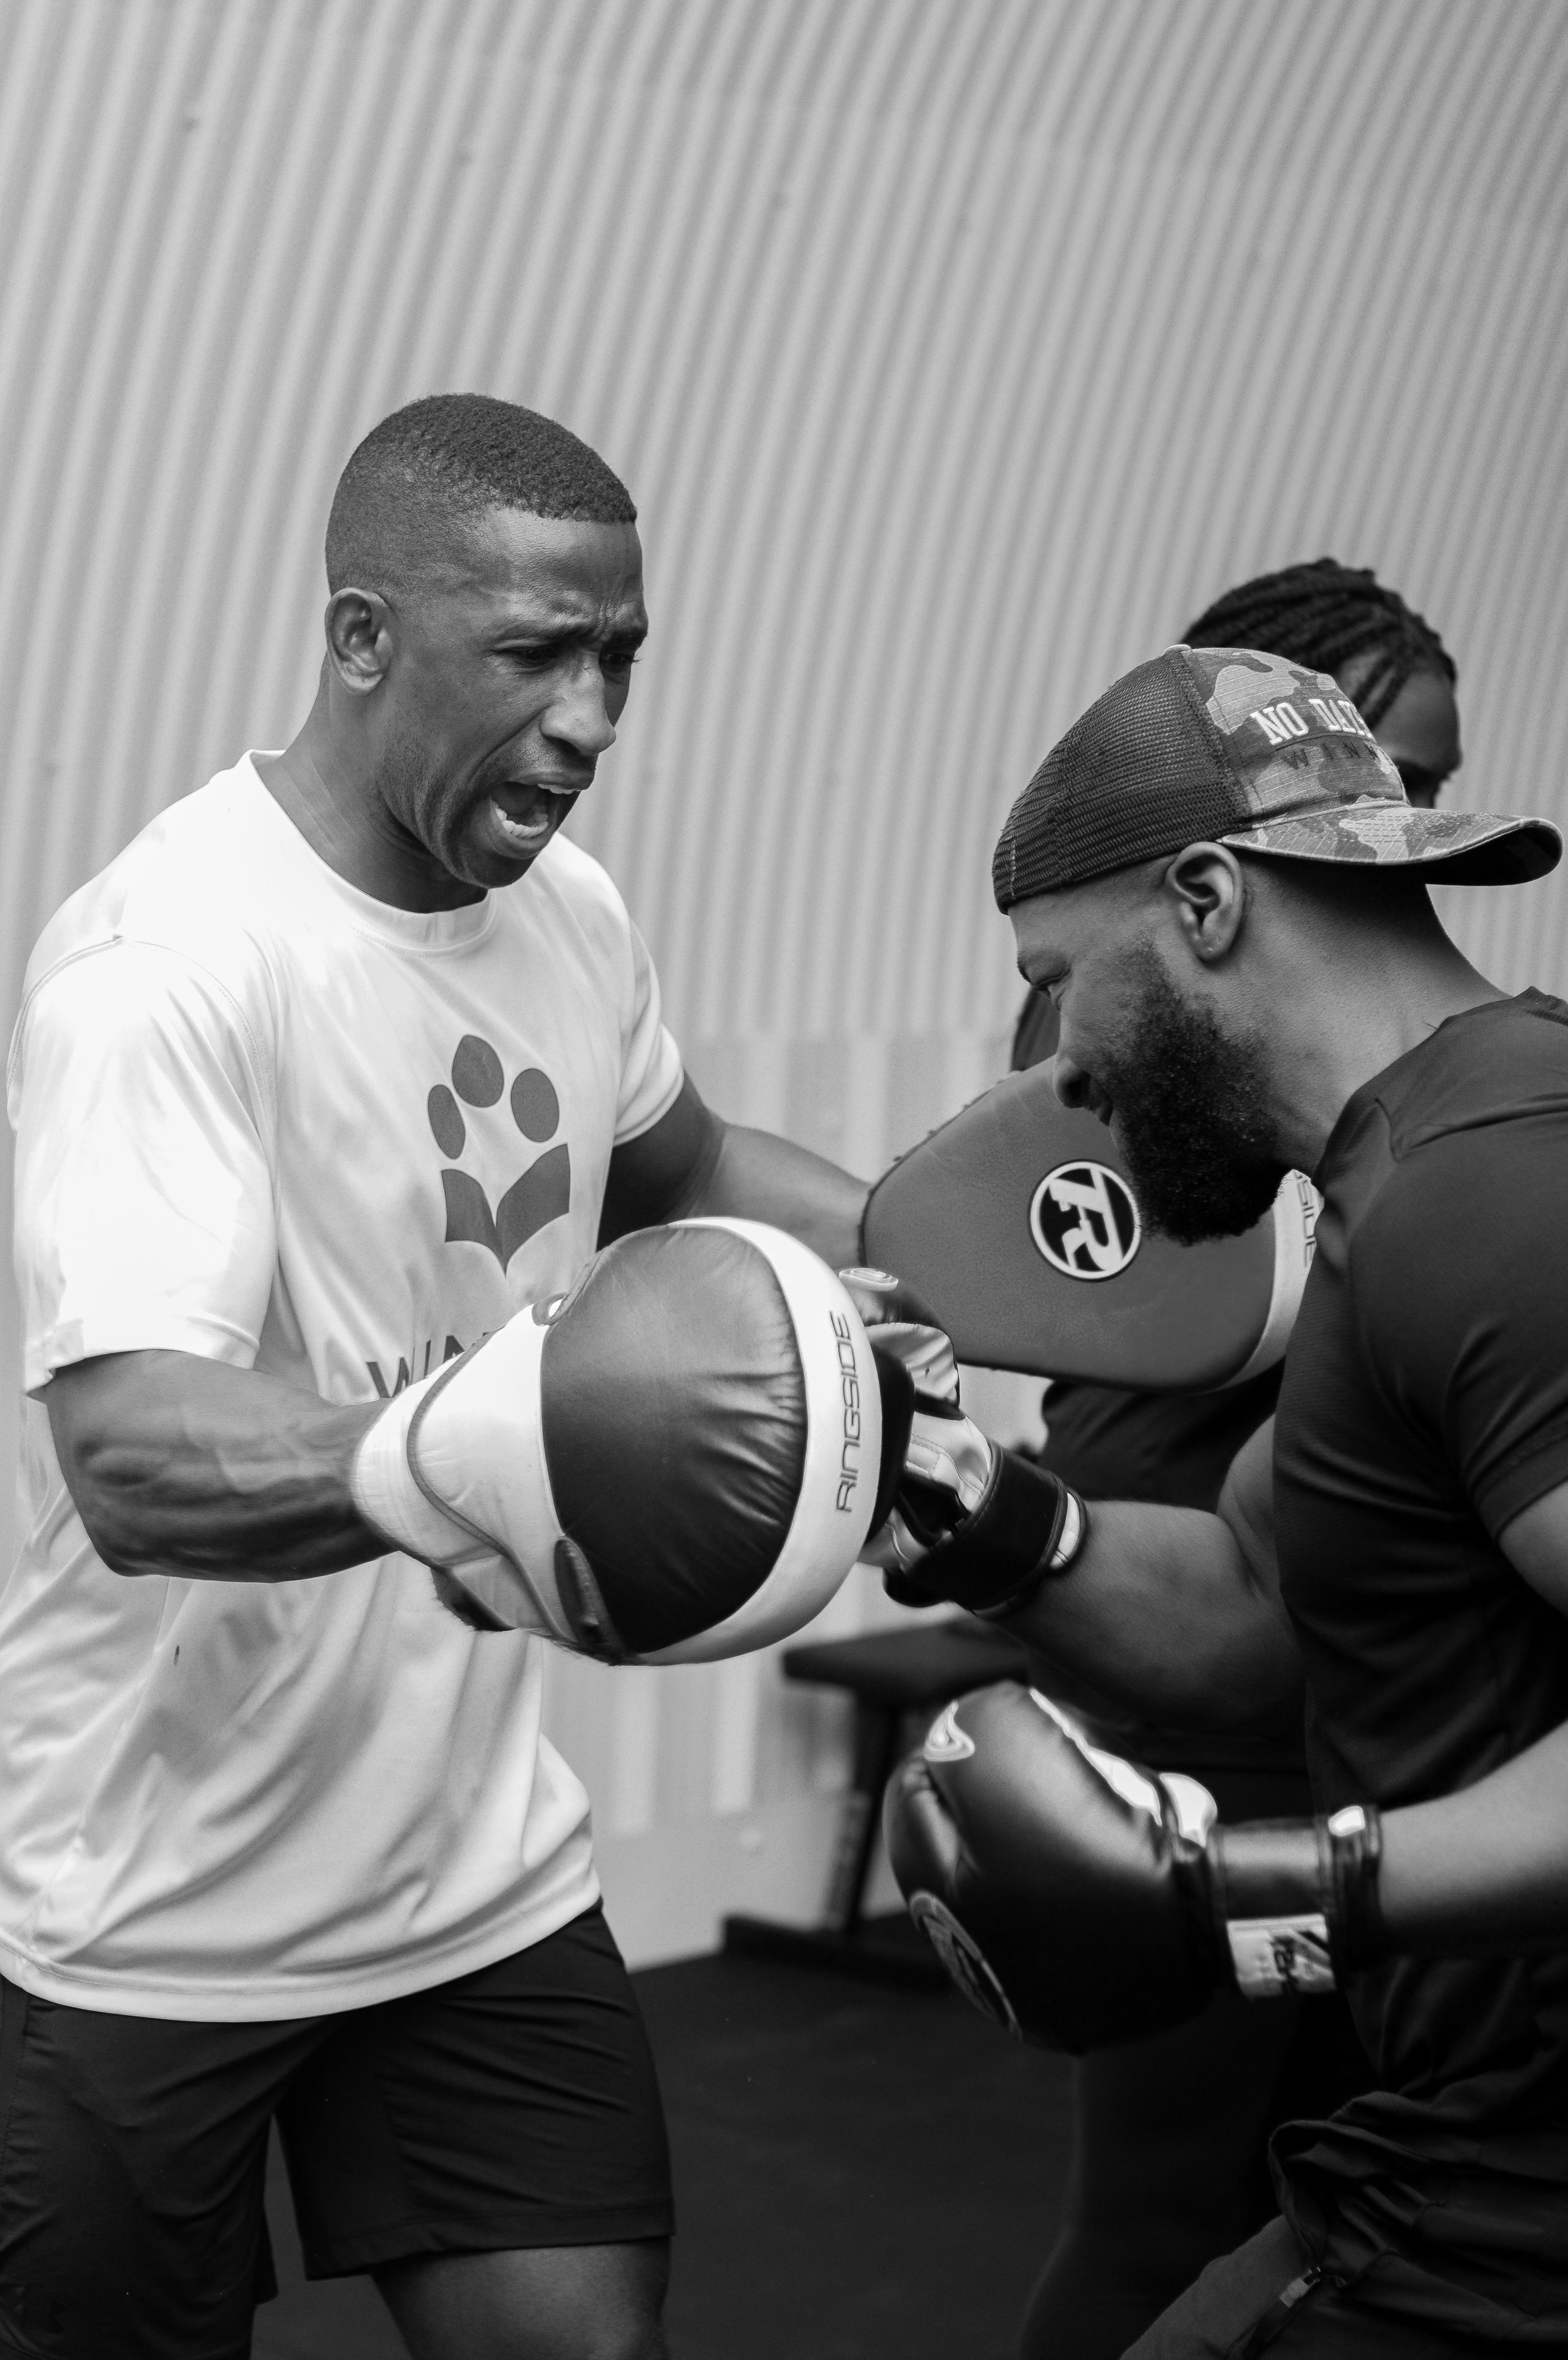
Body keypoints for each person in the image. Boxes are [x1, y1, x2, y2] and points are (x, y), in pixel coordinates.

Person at [1, 394, 875, 2360]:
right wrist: (487, 1448)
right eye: (536, 655)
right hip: (155, 1903)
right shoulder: (169, 965)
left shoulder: (571, 917)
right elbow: (130, 1458)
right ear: (362, 635)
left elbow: (684, 1167)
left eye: (620, 657)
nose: (592, 719)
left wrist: (937, 1258)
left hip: (471, 1877)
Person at [879, 640, 1568, 2351]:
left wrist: (1274, 1886)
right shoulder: (1402, 1169)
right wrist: (953, 1488)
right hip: (1457, 2146)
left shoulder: (1488, 1199)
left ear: (1204, 900)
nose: (1067, 1076)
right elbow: (1261, 1599)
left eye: (1060, 983)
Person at [1012, 565, 1461, 2359]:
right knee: (1163, 2201)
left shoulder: (1443, 1142)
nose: (1397, 825)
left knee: (1347, 2185)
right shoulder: (1126, 1040)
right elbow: (1108, 1345)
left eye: (1428, 785)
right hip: (1198, 1655)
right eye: (1381, 772)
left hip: (1362, 1689)